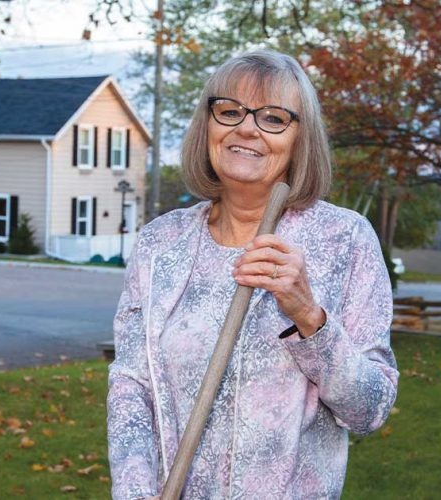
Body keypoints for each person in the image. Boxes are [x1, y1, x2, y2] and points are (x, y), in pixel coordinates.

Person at [107, 50, 399, 499]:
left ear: (301, 138)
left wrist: (308, 316)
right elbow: (131, 387)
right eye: (230, 111)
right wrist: (136, 494)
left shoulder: (345, 239)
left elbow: (370, 410)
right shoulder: (159, 244)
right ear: (208, 123)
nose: (247, 128)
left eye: (274, 118)